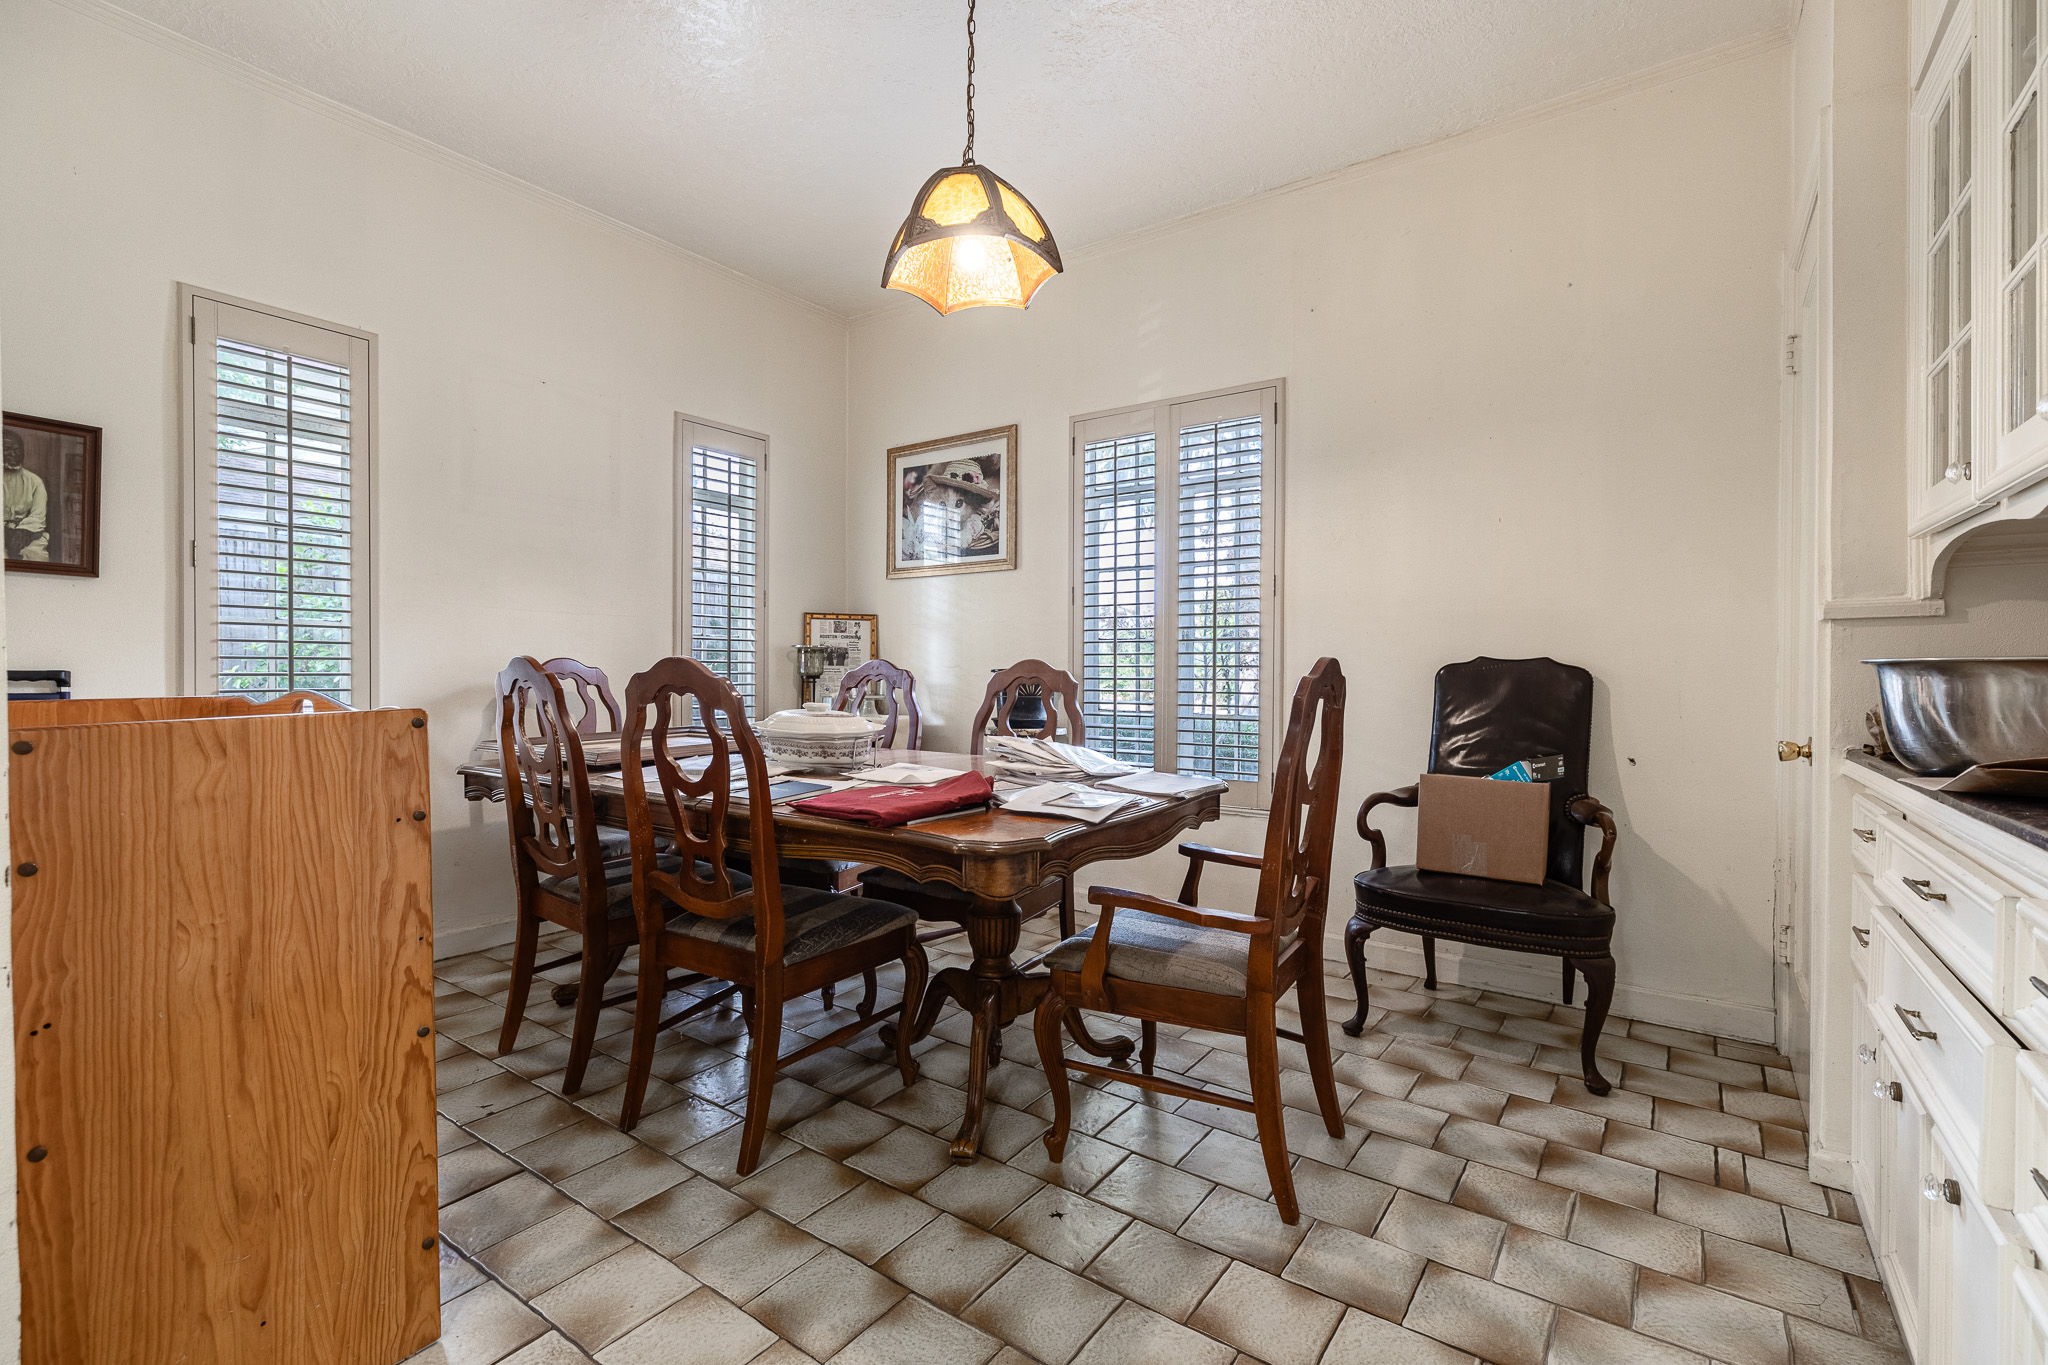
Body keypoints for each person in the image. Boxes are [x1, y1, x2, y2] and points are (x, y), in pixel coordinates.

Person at [3, 429, 49, 562]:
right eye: (7, 449)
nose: (13, 454)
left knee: (36, 555)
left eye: (17, 450)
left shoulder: (35, 481)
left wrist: (23, 532)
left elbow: (38, 516)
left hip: (27, 535)